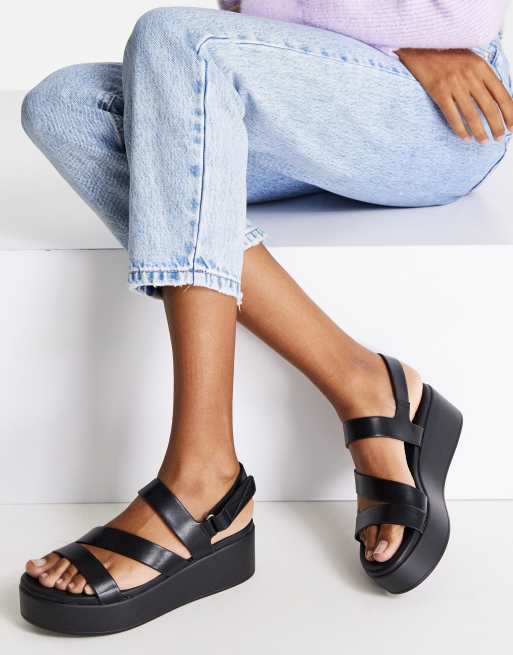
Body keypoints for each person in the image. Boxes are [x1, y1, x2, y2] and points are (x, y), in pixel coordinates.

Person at [18, 1, 512, 635]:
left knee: (178, 41)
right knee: (65, 106)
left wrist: (405, 48)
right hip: (323, 89)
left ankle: (203, 475)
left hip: (440, 109)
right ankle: (361, 380)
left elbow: (461, 17)